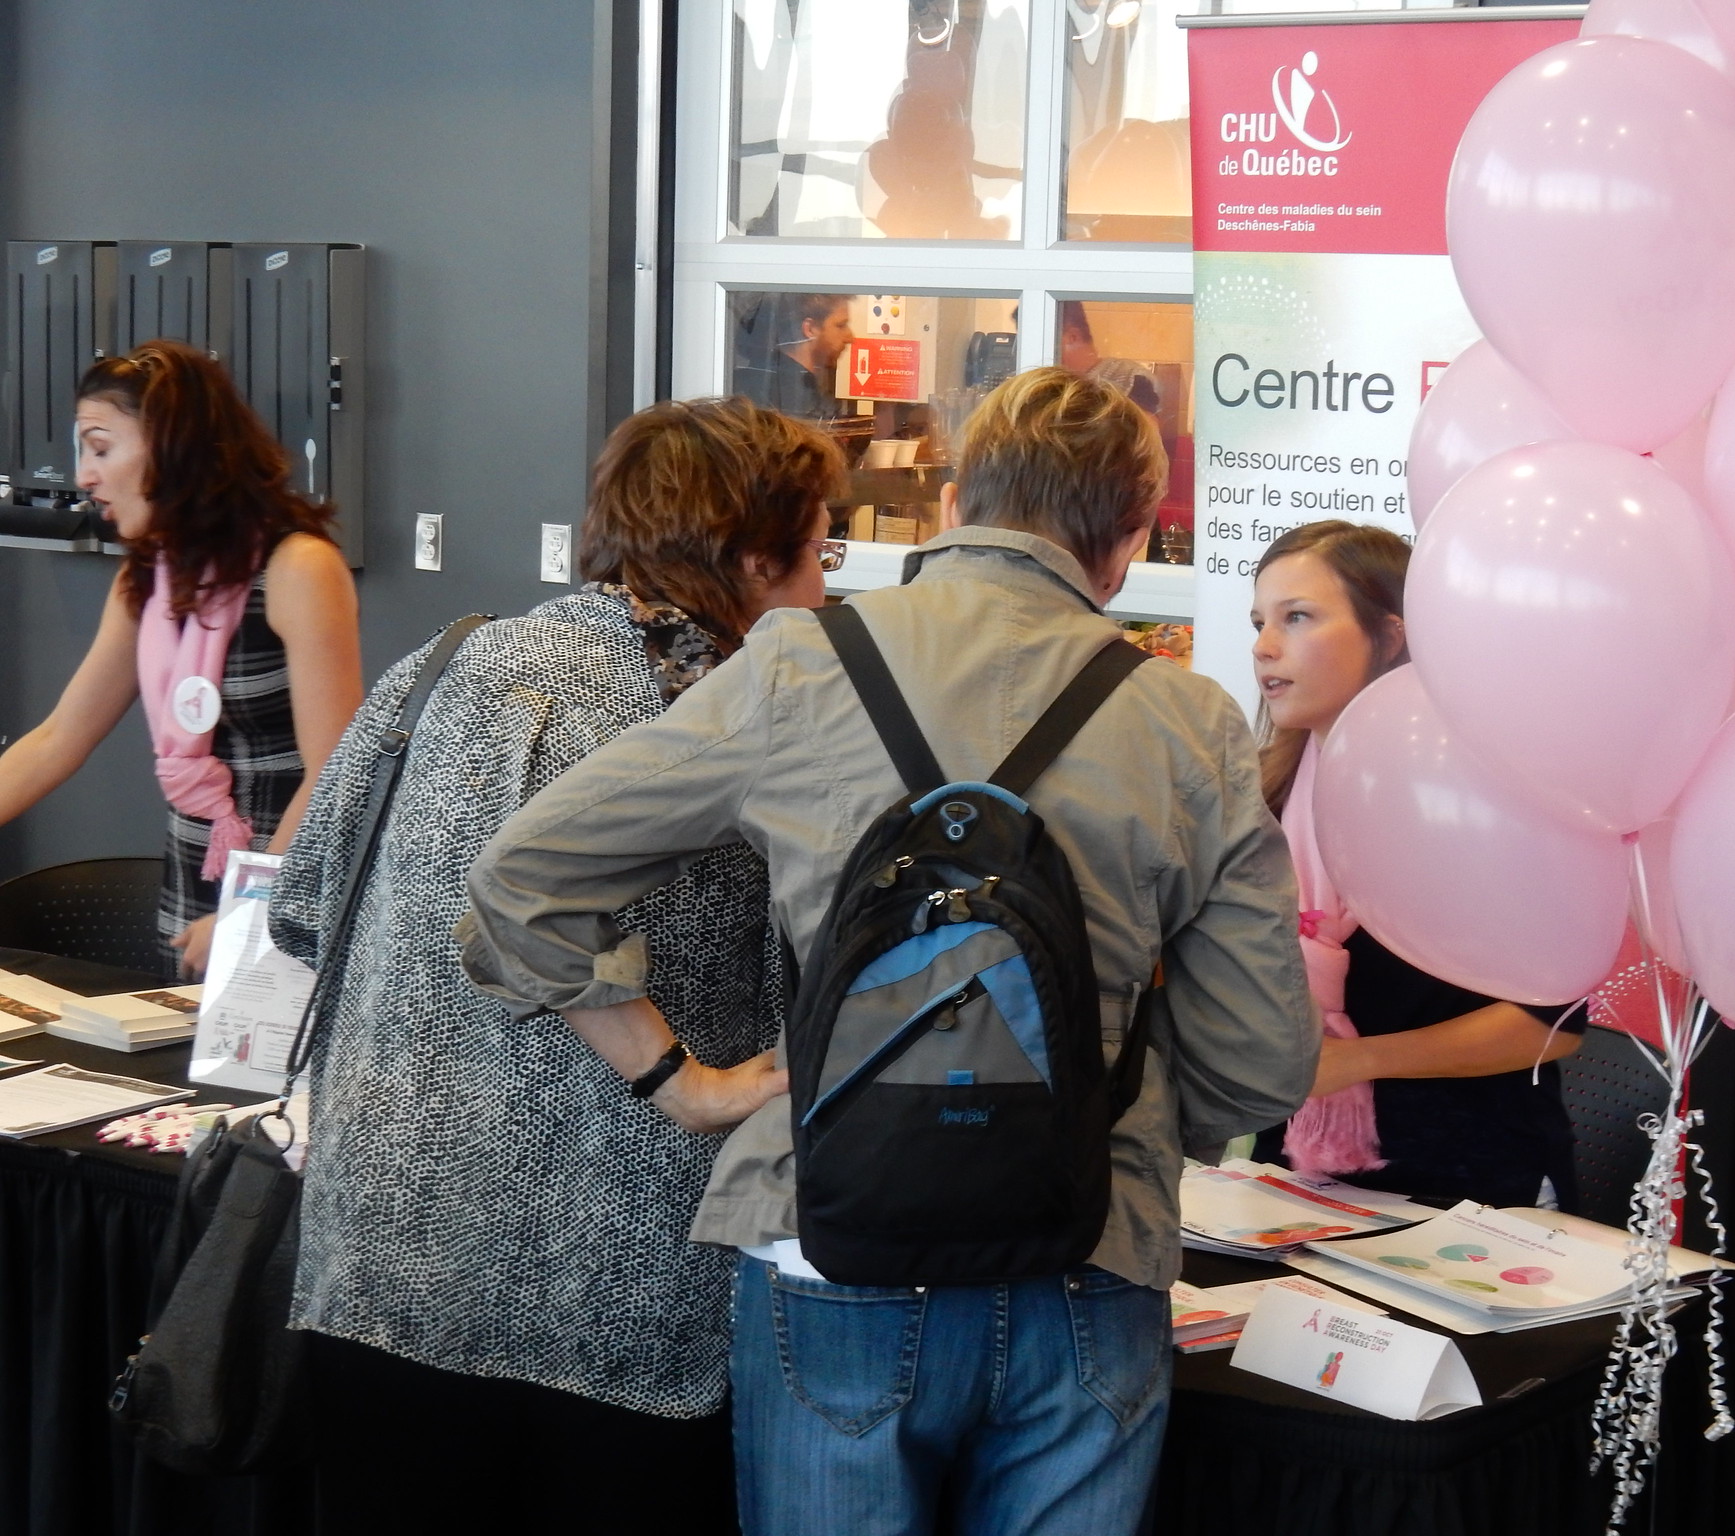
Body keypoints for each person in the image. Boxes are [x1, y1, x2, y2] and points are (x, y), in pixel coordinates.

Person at [459, 368, 1317, 1536]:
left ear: (956, 500)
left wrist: (678, 1080)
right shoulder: (1188, 722)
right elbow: (1261, 1063)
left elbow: (523, 879)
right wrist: (1116, 1109)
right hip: (1090, 1247)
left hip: (834, 1232)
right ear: (1124, 543)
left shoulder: (799, 665)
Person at [267, 396, 844, 1533]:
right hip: (617, 1292)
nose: (826, 593)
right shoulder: (729, 722)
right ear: (751, 560)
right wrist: (684, 1081)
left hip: (381, 1257)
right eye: (819, 556)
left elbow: (302, 912)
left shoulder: (441, 664)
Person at [1249, 520, 1584, 1211]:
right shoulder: (1262, 797)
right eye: (1259, 622)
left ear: (1390, 636)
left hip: (1472, 1188)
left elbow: (1550, 1024)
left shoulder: (1481, 802)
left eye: (1297, 617)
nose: (1264, 647)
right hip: (1296, 1175)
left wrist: (1361, 1060)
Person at [0, 339, 361, 976]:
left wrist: (250, 911)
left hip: (288, 905)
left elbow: (335, 774)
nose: (84, 476)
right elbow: (58, 739)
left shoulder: (299, 567)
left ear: (174, 447)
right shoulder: (148, 577)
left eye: (101, 448)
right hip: (194, 898)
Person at [734, 292, 854, 420]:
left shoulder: (754, 383)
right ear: (810, 329)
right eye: (841, 325)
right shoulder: (791, 399)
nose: (850, 337)